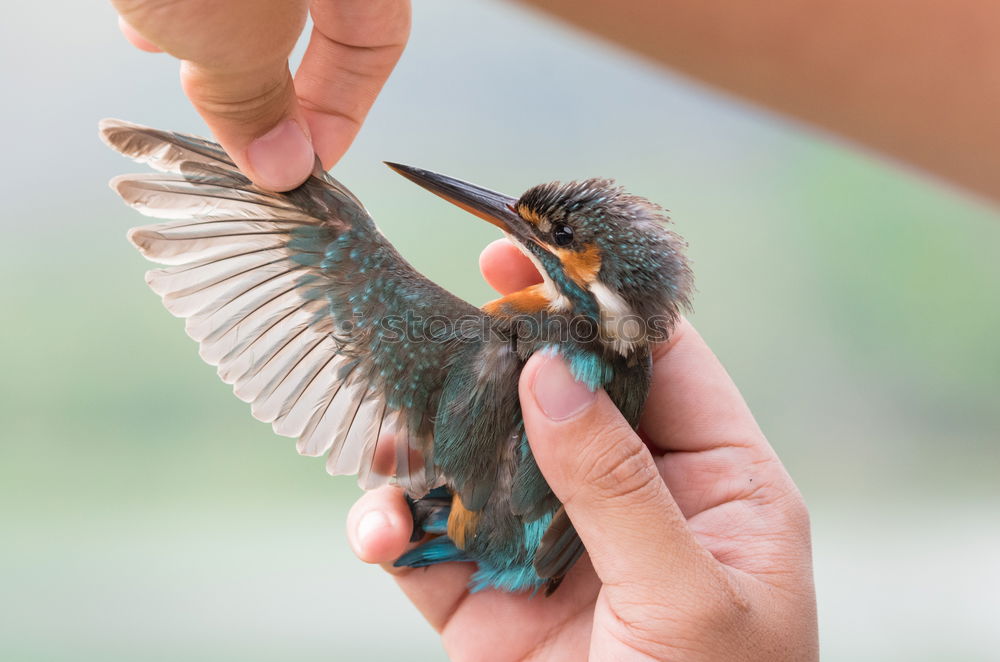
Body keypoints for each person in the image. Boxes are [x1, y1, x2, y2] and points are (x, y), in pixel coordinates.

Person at [113, 0, 999, 658]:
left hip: (482, 547)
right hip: (539, 567)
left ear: (592, 279)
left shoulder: (496, 345)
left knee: (338, 237)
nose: (519, 229)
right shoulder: (625, 365)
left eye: (554, 237)